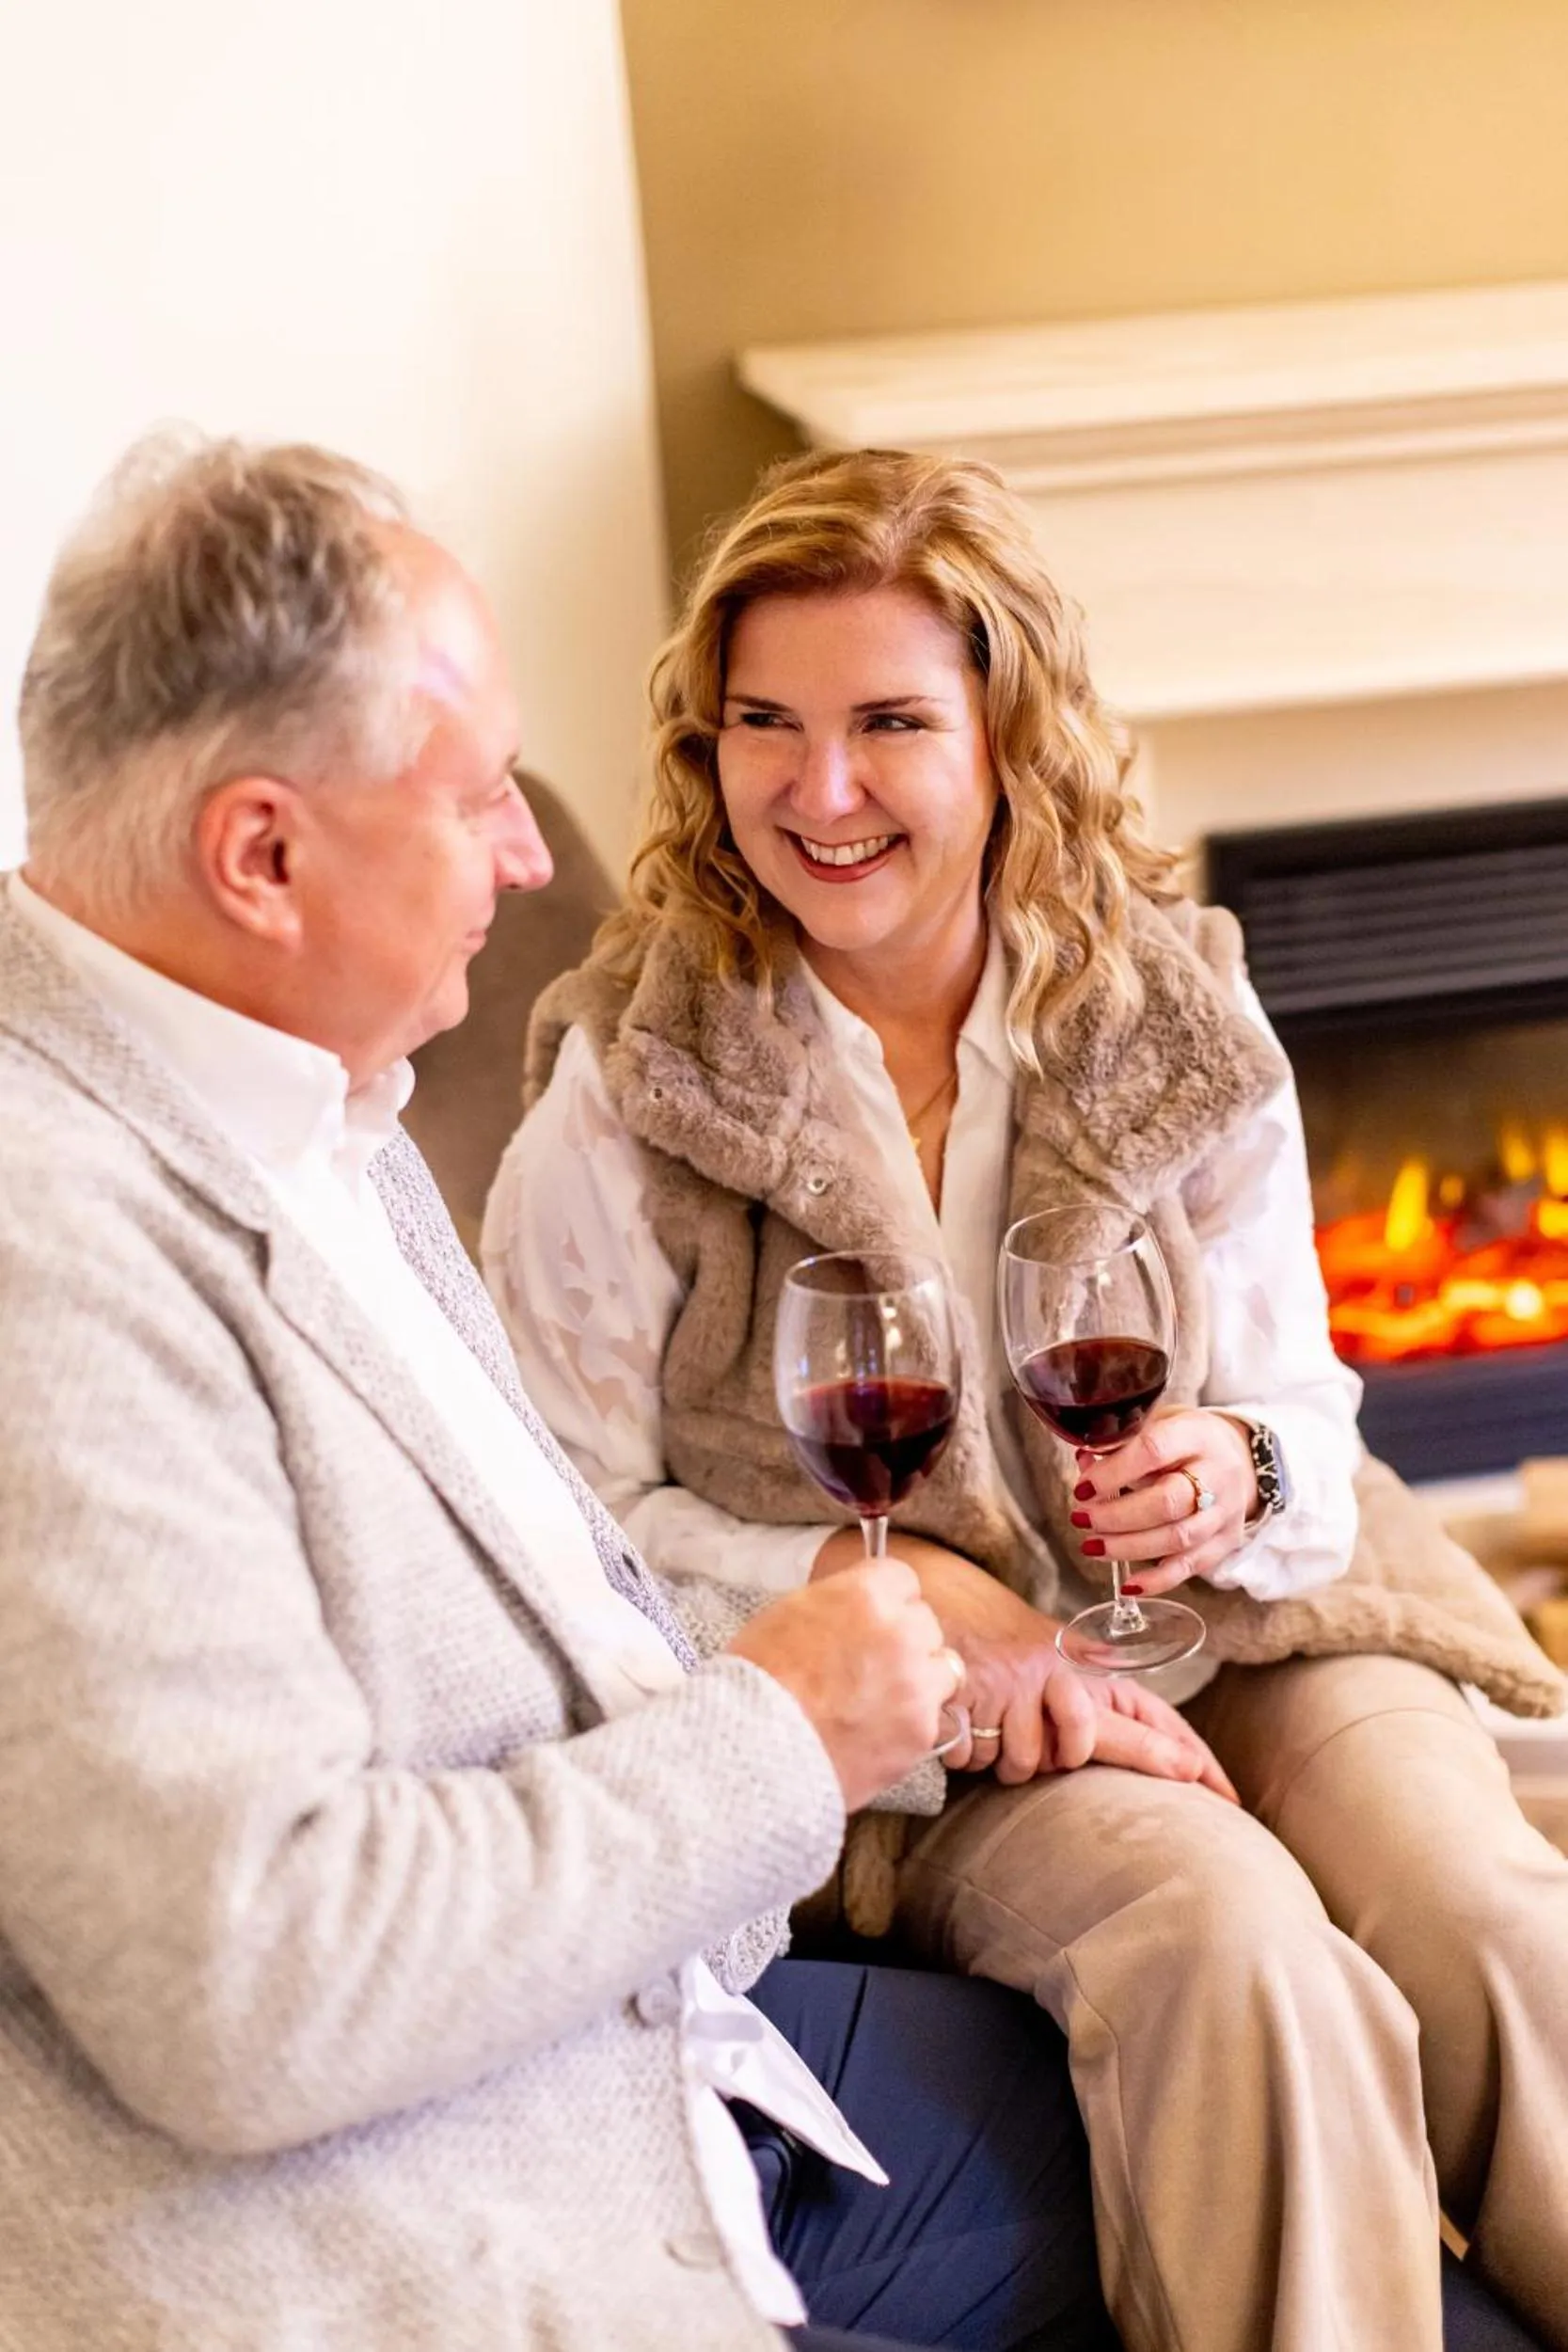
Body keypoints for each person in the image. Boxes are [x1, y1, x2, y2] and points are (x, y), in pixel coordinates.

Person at [0, 434, 1121, 2352]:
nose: (531, 857)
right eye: (471, 800)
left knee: (1243, 2090)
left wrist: (904, 1635)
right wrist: (780, 1731)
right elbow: (256, 1976)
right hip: (408, 2226)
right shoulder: (55, 1255)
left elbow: (538, 1610)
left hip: (628, 2055)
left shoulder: (307, 1098)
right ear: (258, 852)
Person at [486, 446, 1568, 2352]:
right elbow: (554, 1535)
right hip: (934, 1731)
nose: (816, 791)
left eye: (887, 722)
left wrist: (1227, 1466)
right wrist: (898, 1598)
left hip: (1238, 1622)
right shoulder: (633, 1083)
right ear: (706, 742)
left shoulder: (1169, 1010)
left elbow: (1306, 1415)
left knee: (1492, 1912)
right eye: (765, 724)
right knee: (1232, 1945)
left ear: (1005, 737)